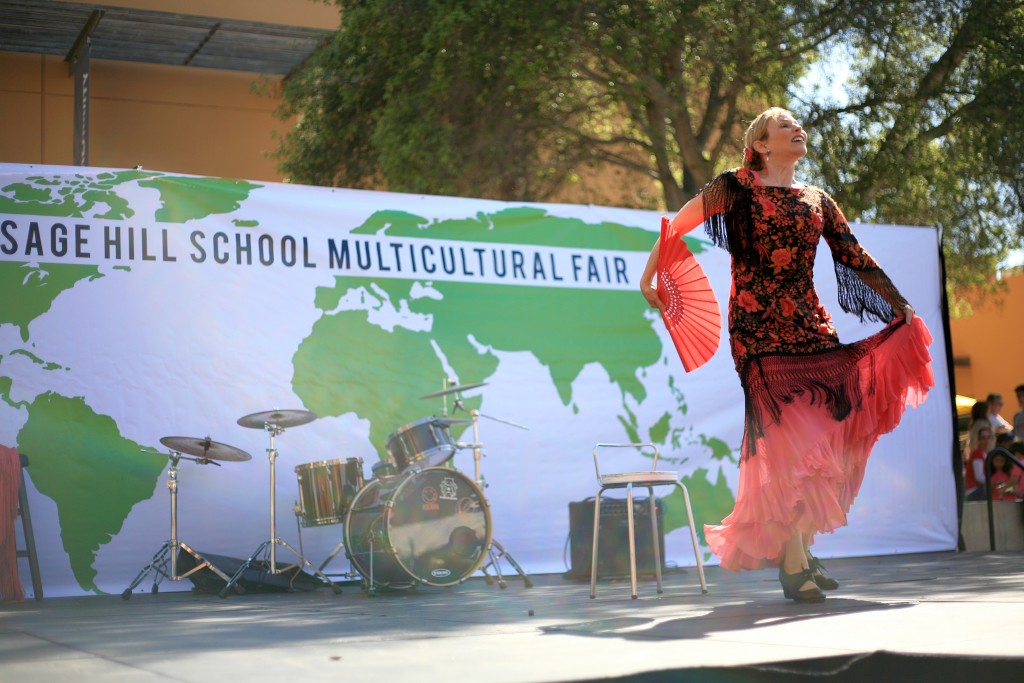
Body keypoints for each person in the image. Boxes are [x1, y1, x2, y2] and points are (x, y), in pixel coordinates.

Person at [640, 107, 933, 603]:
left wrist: (900, 307)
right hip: (758, 332)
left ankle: (800, 549)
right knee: (784, 446)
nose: (799, 130)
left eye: (800, 126)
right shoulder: (733, 187)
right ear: (760, 144)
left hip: (811, 328)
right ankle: (794, 563)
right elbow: (679, 224)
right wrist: (650, 276)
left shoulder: (818, 199)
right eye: (785, 126)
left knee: (813, 448)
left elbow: (855, 257)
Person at [964, 426, 994, 501]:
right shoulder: (977, 454)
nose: (986, 440)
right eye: (983, 438)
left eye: (988, 437)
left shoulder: (986, 454)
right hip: (975, 491)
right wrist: (993, 482)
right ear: (979, 440)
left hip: (979, 489)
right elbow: (979, 476)